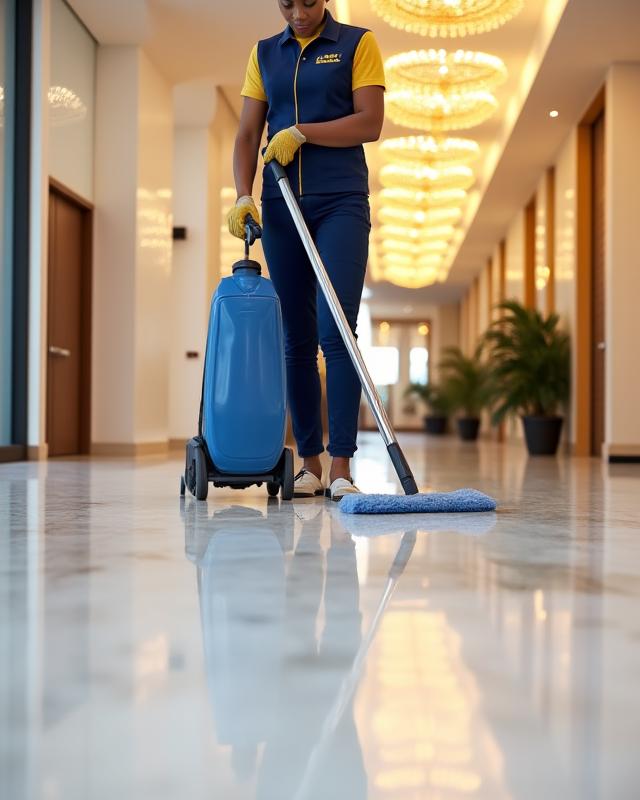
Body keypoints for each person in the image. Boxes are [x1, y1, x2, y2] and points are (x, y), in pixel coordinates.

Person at [228, 0, 385, 501]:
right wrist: (243, 194)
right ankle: (310, 464)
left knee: (337, 326)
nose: (298, 13)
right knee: (296, 336)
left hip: (340, 201)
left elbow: (369, 123)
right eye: (287, 3)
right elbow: (249, 133)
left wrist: (302, 132)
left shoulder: (357, 44)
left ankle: (341, 465)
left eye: (309, 2)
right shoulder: (263, 54)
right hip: (281, 203)